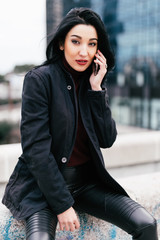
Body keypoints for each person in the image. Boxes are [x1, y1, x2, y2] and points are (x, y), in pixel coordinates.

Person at [2, 7, 158, 240]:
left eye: (92, 44)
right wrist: (63, 205)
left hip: (86, 185)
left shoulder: (92, 82)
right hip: (42, 189)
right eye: (76, 42)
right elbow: (36, 151)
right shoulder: (39, 80)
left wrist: (97, 89)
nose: (84, 51)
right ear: (62, 43)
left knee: (146, 224)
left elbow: (107, 139)